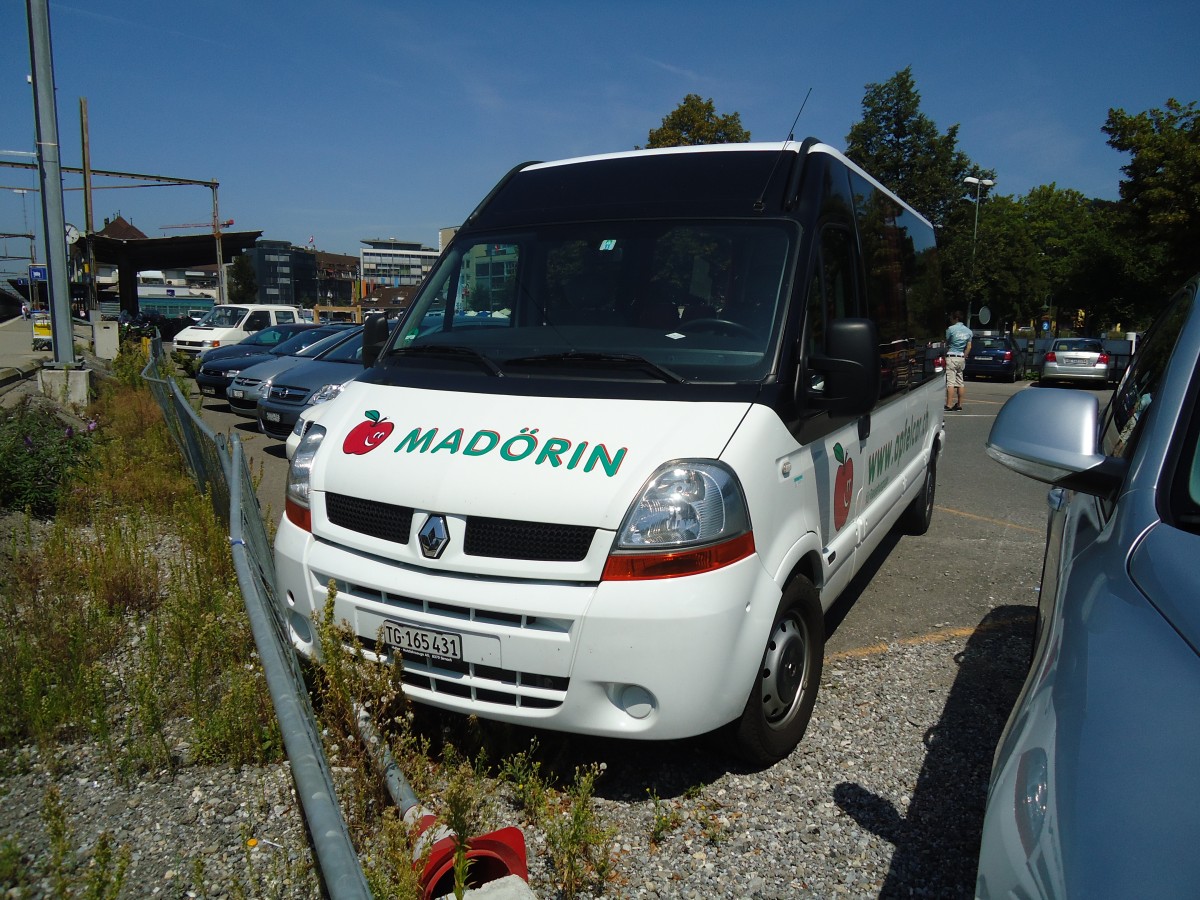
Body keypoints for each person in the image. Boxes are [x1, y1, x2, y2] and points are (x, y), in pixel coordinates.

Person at [944, 310, 973, 411]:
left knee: (950, 382)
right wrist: (964, 356)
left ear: (956, 318)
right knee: (960, 382)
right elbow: (969, 347)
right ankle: (959, 404)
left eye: (952, 318)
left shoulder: (951, 329)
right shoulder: (969, 331)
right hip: (961, 357)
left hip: (951, 356)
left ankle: (949, 404)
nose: (951, 320)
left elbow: (947, 342)